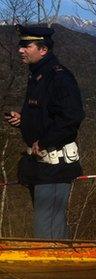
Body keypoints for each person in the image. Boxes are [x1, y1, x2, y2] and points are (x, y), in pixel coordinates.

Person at [3, 25, 85, 239]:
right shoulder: (38, 75)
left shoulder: (59, 77)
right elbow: (48, 114)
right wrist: (25, 120)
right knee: (51, 232)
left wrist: (45, 141)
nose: (20, 50)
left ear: (43, 50)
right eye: (21, 45)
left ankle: (58, 272)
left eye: (26, 45)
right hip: (41, 169)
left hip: (54, 169)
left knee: (47, 237)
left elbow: (72, 117)